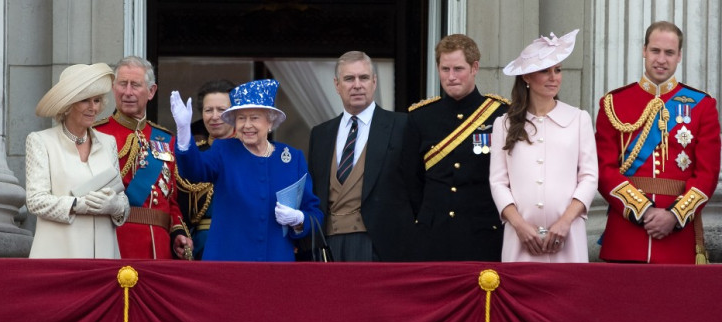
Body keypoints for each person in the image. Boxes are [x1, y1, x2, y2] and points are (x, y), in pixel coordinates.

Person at [595, 21, 721, 264]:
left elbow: (707, 173)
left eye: (669, 53)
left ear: (679, 56)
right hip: (626, 236)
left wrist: (674, 215)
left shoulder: (702, 106)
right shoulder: (613, 103)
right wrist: (643, 211)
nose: (661, 59)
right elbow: (603, 169)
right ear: (644, 50)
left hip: (678, 236)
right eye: (655, 51)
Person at [170, 79, 323, 261]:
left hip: (276, 263)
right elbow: (194, 171)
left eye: (254, 118)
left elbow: (314, 213)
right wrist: (184, 132)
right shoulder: (224, 150)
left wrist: (299, 219)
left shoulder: (291, 158)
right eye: (241, 118)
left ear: (270, 122)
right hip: (228, 263)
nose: (247, 125)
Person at [489, 30, 598, 262]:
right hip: (520, 239)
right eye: (544, 71)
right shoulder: (504, 124)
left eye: (557, 70)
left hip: (568, 237)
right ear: (526, 77)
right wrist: (519, 225)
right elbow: (498, 182)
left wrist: (565, 222)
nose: (553, 77)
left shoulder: (579, 119)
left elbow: (589, 177)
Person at [404, 34, 510, 261]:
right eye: (445, 69)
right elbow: (411, 180)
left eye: (458, 69)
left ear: (474, 68)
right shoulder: (420, 117)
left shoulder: (501, 115)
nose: (451, 77)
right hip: (434, 235)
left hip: (483, 234)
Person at [307, 51, 413, 261]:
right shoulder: (320, 133)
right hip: (329, 244)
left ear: (374, 82)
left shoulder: (402, 126)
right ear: (337, 85)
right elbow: (314, 192)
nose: (357, 85)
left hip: (380, 244)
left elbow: (414, 188)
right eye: (349, 79)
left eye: (363, 78)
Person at [26, 63, 130, 258]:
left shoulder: (108, 143)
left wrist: (115, 205)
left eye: (97, 100)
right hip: (59, 255)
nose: (93, 108)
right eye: (85, 101)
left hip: (104, 256)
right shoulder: (41, 141)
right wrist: (78, 205)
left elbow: (122, 199)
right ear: (68, 105)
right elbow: (35, 201)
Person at [94, 56, 192, 260]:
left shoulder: (165, 139)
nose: (128, 92)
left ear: (151, 91)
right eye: (123, 84)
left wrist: (178, 232)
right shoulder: (96, 134)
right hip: (113, 241)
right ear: (114, 88)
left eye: (136, 85)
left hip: (159, 247)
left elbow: (171, 199)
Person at [176, 79, 236, 260]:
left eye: (222, 110)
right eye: (208, 110)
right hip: (200, 245)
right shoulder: (192, 153)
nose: (214, 116)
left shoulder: (248, 151)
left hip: (237, 240)